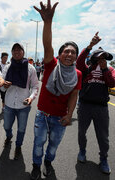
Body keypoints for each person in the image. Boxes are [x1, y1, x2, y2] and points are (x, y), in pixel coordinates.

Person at [30, 1, 82, 179]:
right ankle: (36, 166)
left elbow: (74, 95)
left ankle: (48, 163)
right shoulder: (51, 65)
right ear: (59, 55)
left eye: (73, 52)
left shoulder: (78, 74)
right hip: (42, 114)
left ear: (75, 56)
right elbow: (47, 45)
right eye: (66, 51)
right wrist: (47, 22)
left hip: (60, 117)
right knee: (38, 144)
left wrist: (69, 115)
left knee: (53, 145)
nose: (69, 54)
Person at [76, 32, 115, 174]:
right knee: (81, 132)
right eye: (99, 57)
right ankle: (82, 151)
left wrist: (105, 69)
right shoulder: (87, 68)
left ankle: (103, 159)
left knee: (103, 137)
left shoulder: (110, 70)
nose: (101, 59)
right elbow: (79, 62)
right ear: (94, 58)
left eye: (104, 57)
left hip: (102, 108)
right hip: (85, 106)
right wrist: (90, 45)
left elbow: (112, 83)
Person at [1, 43, 39, 160]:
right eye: (14, 50)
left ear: (23, 52)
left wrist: (31, 97)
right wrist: (4, 86)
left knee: (21, 129)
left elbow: (35, 86)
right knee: (6, 126)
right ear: (12, 52)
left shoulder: (30, 68)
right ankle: (9, 136)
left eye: (19, 50)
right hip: (9, 104)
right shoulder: (7, 67)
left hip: (24, 105)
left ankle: (18, 146)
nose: (16, 52)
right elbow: (1, 87)